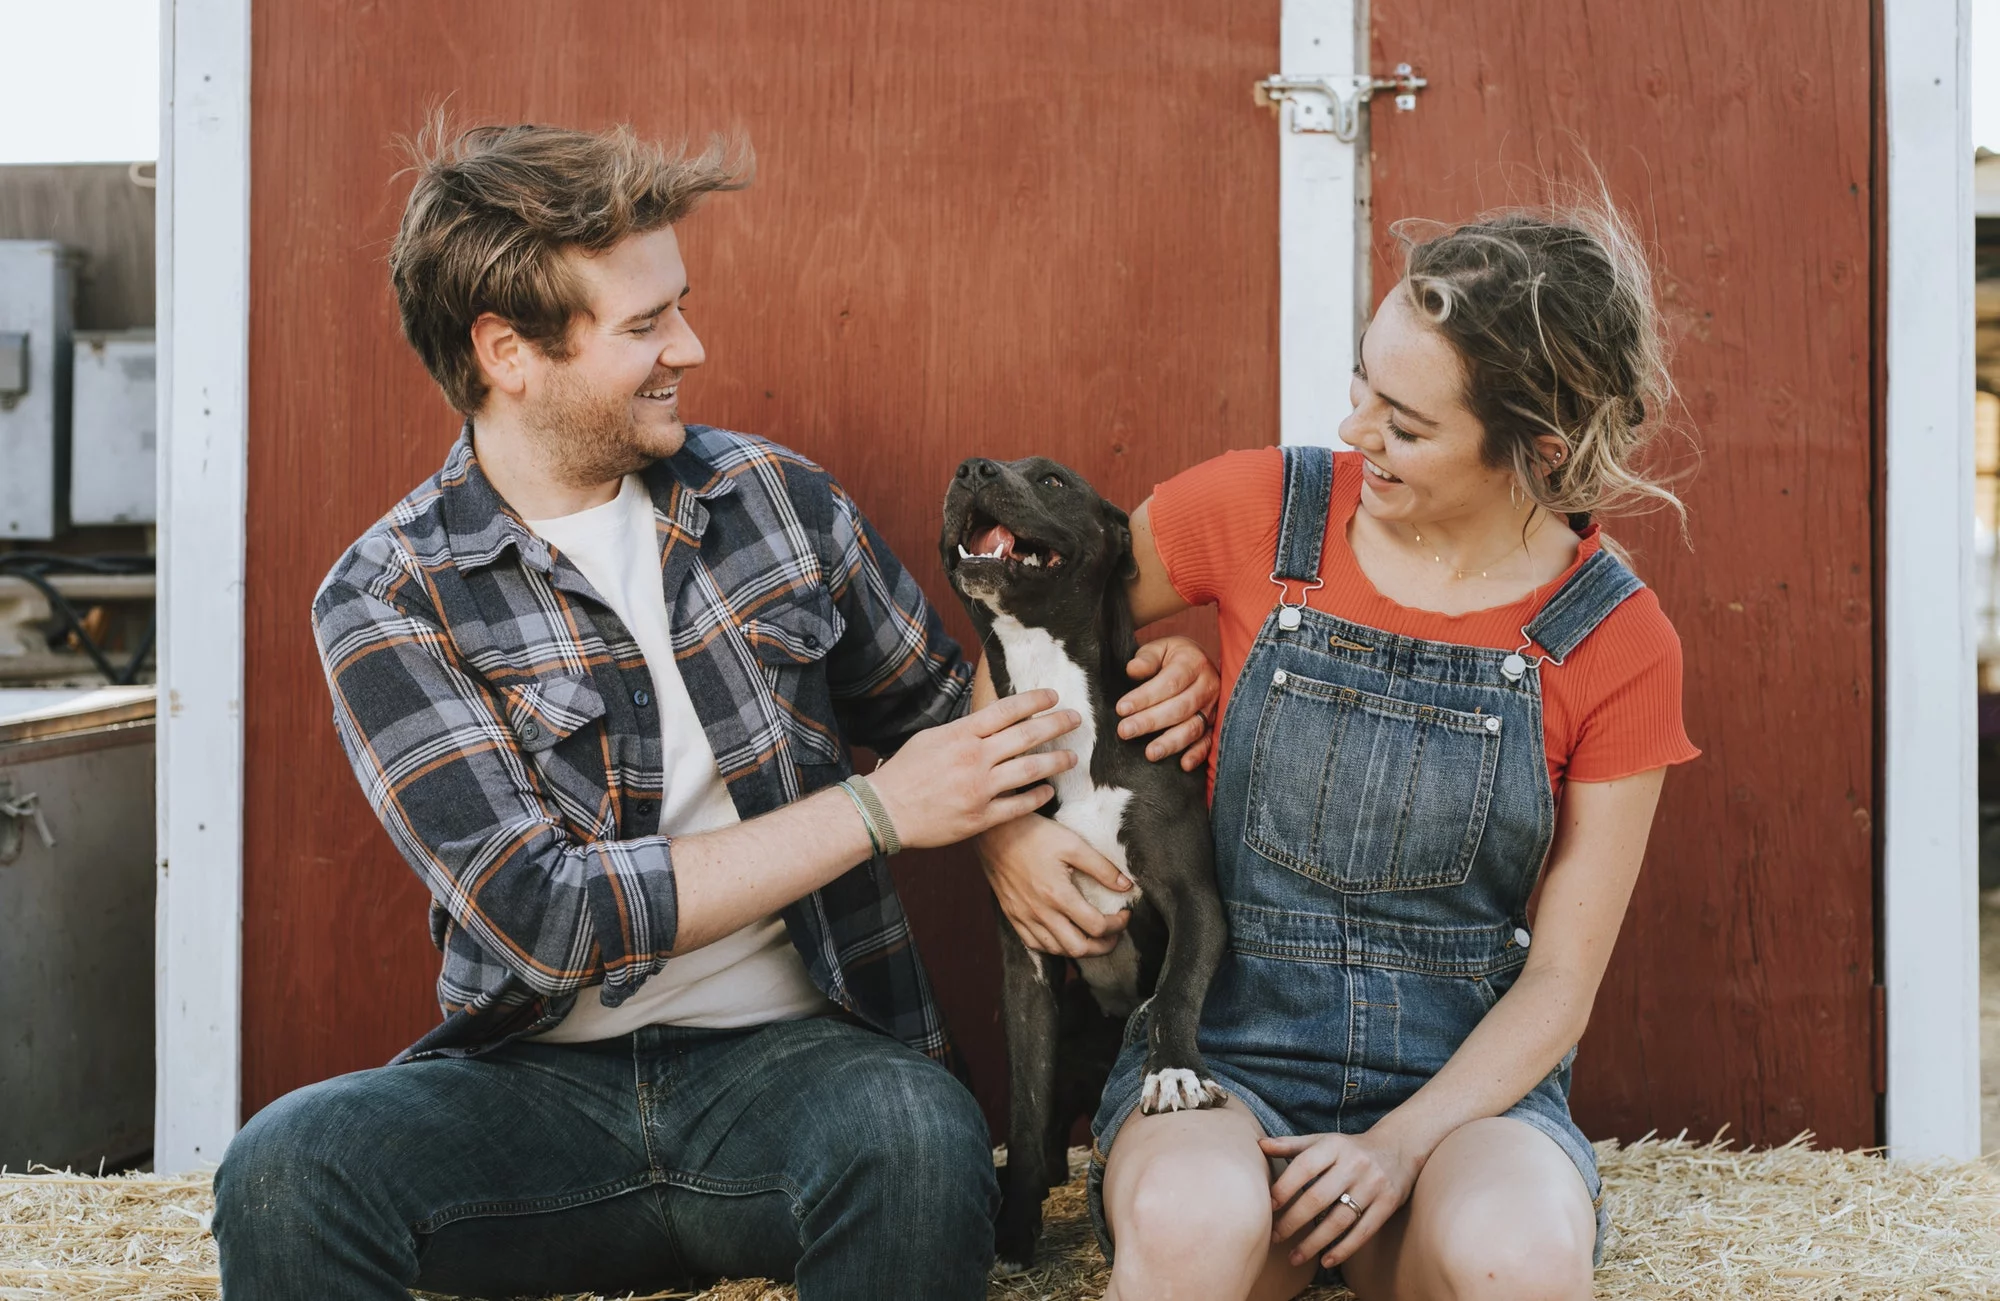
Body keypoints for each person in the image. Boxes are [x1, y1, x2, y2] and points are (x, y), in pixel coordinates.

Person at [208, 121, 1217, 1301]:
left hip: (798, 1070)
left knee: (918, 1140)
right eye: (644, 325)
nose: (688, 345)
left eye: (676, 306)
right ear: (507, 351)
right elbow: (544, 913)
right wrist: (879, 812)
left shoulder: (773, 502)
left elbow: (951, 718)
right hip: (533, 1091)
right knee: (282, 1171)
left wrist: (1126, 692)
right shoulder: (388, 594)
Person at [978, 206, 1699, 1300]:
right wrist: (1004, 832)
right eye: (1361, 383)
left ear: (1535, 450)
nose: (1355, 427)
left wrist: (1399, 1146)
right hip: (1217, 1056)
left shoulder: (1612, 639)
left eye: (1404, 424)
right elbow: (1023, 633)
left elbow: (1558, 980)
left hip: (1465, 1090)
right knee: (1185, 1227)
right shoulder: (1262, 508)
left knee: (1525, 1255)